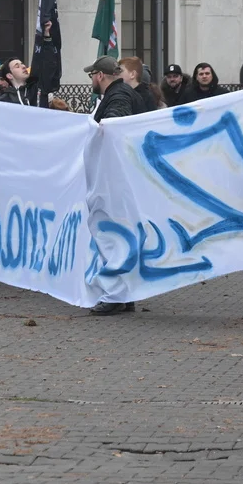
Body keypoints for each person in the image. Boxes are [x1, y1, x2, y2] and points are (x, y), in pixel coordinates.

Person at [85, 56, 146, 315]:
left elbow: (113, 126)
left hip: (115, 179)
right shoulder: (123, 93)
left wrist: (96, 128)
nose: (91, 80)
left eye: (92, 75)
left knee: (112, 235)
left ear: (100, 75)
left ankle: (114, 296)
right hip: (122, 176)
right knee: (121, 235)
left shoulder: (118, 96)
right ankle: (125, 294)